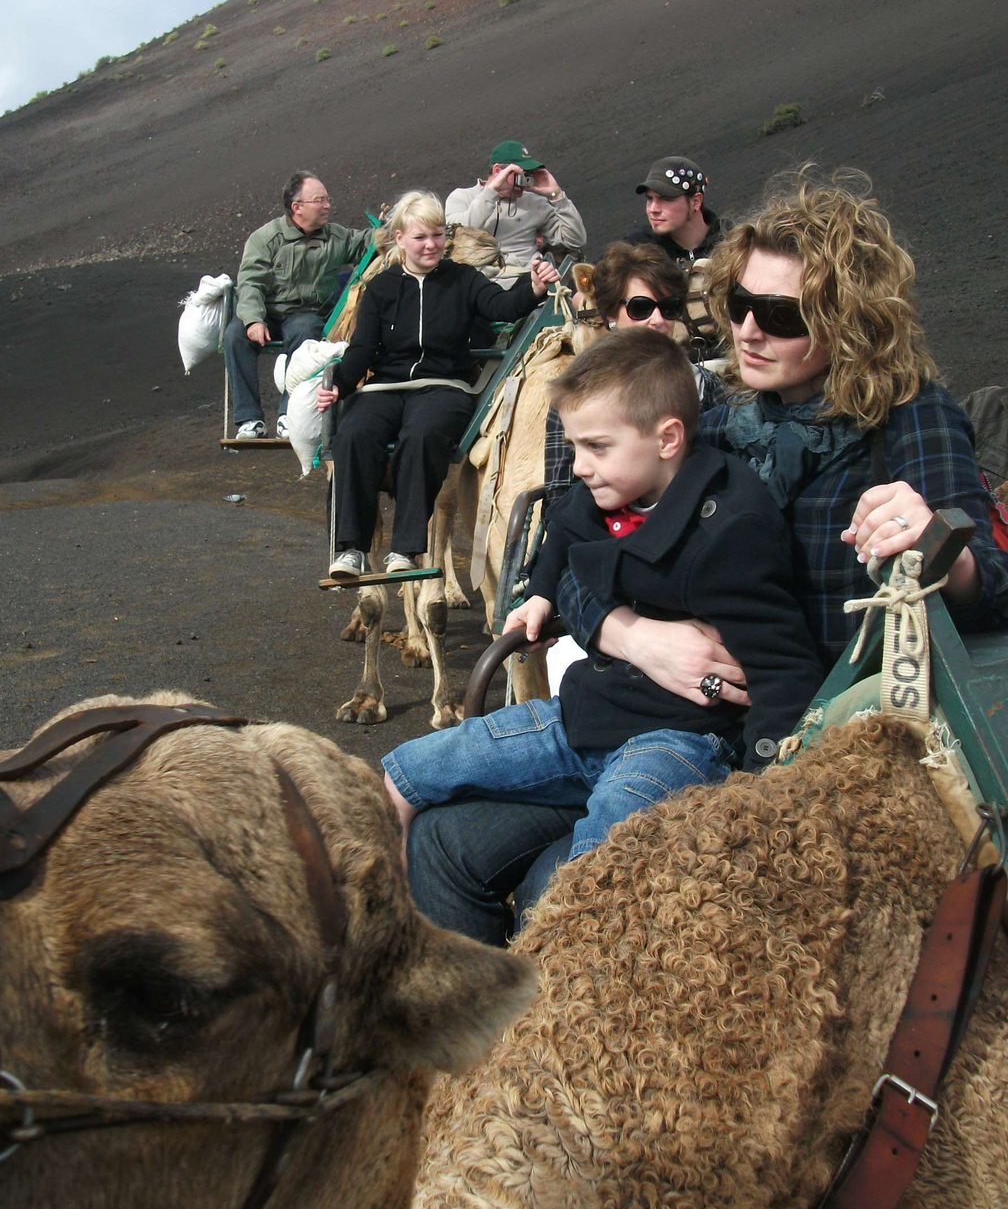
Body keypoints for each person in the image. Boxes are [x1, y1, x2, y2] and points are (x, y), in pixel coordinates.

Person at [407, 166, 1008, 946]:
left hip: (807, 744)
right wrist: (637, 638)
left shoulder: (906, 419)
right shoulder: (720, 419)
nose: (750, 330)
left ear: (848, 318)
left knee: (559, 878)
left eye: (780, 314)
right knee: (440, 844)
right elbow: (586, 545)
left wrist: (934, 539)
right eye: (739, 305)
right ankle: (482, 1057)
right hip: (660, 713)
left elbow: (987, 584)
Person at [381, 328, 823, 861]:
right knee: (403, 774)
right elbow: (563, 536)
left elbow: (783, 666)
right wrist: (542, 595)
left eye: (596, 447)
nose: (581, 466)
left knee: (598, 861)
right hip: (586, 714)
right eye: (574, 447)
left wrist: (764, 785)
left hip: (679, 740)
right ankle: (402, 913)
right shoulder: (611, 493)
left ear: (667, 439)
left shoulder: (730, 531)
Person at [320, 190, 560, 577]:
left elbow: (501, 306)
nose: (431, 245)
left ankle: (405, 550)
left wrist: (532, 288)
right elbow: (362, 349)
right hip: (386, 387)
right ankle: (350, 550)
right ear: (400, 239)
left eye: (436, 235)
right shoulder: (381, 289)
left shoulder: (463, 279)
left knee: (423, 435)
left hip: (444, 386)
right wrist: (340, 384)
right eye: (420, 237)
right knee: (352, 433)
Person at [545, 240, 723, 498]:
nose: (658, 320)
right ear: (611, 315)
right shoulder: (574, 392)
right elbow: (559, 496)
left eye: (669, 307)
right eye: (641, 308)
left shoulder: (705, 385)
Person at [223, 171, 371, 439]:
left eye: (327, 199)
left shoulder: (336, 238)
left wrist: (393, 226)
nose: (327, 206)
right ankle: (249, 419)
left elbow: (368, 243)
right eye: (319, 200)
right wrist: (254, 319)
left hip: (306, 314)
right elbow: (250, 284)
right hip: (267, 313)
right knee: (234, 335)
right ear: (297, 207)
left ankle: (287, 415)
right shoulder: (266, 239)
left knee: (305, 332)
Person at [445, 140, 586, 283]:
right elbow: (458, 234)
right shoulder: (462, 197)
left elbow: (575, 240)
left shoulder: (535, 203)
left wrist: (556, 195)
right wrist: (492, 193)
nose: (524, 181)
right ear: (498, 171)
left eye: (528, 174)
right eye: (519, 174)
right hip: (482, 283)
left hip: (528, 279)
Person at [625, 155, 724, 268]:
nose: (653, 209)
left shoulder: (734, 243)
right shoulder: (635, 250)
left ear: (695, 202)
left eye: (666, 199)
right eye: (649, 198)